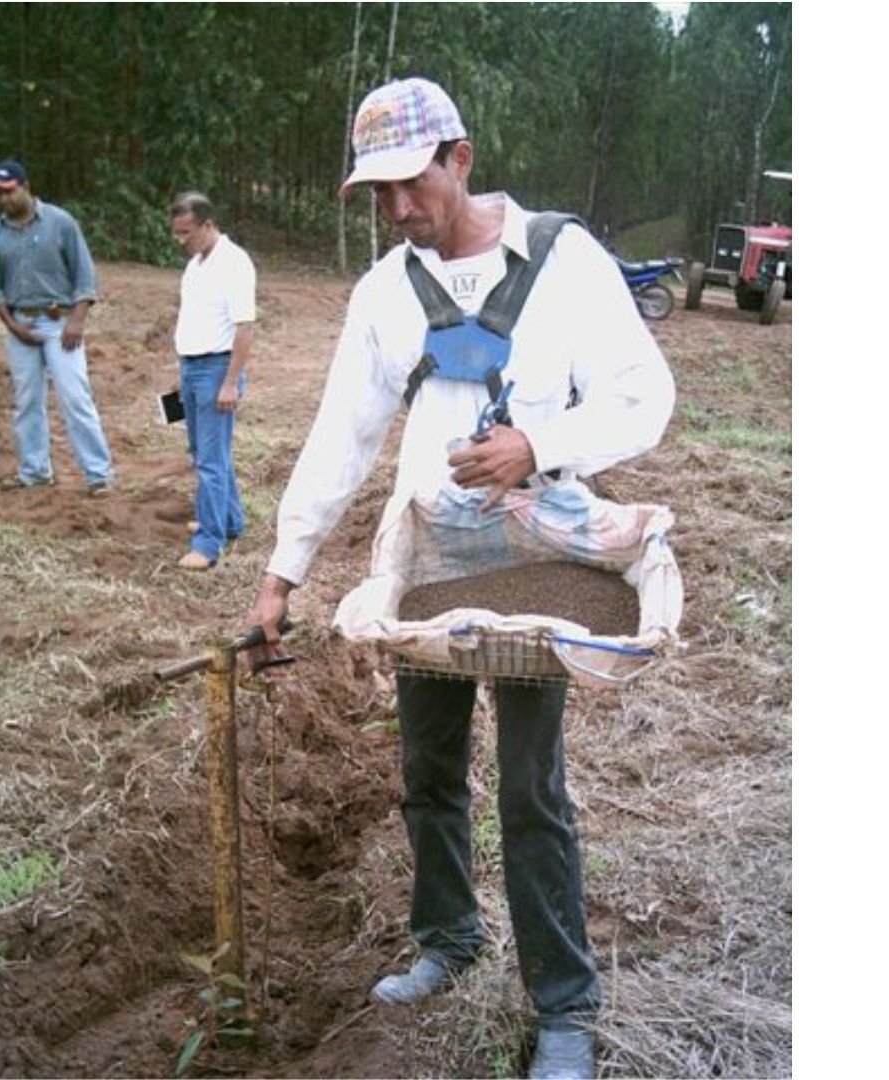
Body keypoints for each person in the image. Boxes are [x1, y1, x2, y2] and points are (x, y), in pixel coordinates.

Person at [242, 78, 675, 1080]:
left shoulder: (565, 261)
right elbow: (339, 441)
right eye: (378, 196)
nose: (397, 212)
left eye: (410, 185)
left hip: (541, 559)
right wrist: (281, 573)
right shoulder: (386, 294)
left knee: (530, 786)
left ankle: (562, 1005)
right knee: (428, 771)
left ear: (460, 160)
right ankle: (449, 937)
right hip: (430, 564)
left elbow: (646, 396)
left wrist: (542, 443)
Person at [0, 159, 116, 496]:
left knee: (75, 397)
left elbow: (85, 278)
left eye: (8, 191)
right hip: (20, 325)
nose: (3, 200)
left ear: (26, 187)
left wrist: (77, 321)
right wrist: (12, 327)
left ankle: (98, 474)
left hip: (60, 324)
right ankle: (34, 472)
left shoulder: (60, 223)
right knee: (27, 401)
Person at [168, 191, 257, 571]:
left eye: (186, 232)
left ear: (207, 225)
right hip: (191, 368)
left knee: (209, 461)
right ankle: (229, 520)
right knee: (205, 454)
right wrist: (182, 374)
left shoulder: (234, 264)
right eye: (176, 233)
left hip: (216, 370)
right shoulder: (195, 266)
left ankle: (208, 543)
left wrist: (230, 383)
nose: (181, 241)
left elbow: (245, 328)